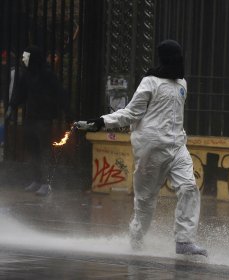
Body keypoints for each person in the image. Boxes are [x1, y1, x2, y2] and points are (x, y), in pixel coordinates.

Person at [84, 39, 208, 257]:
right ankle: (137, 238)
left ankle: (184, 241)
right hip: (151, 149)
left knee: (189, 187)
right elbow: (131, 113)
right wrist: (102, 121)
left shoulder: (182, 84)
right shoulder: (149, 82)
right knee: (145, 200)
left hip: (178, 146)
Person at [6, 45, 67, 196]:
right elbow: (19, 94)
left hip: (44, 118)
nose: (23, 59)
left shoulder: (47, 75)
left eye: (26, 56)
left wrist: (67, 112)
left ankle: (46, 183)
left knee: (44, 150)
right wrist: (11, 108)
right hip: (31, 117)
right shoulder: (27, 75)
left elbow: (60, 94)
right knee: (33, 149)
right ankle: (37, 179)